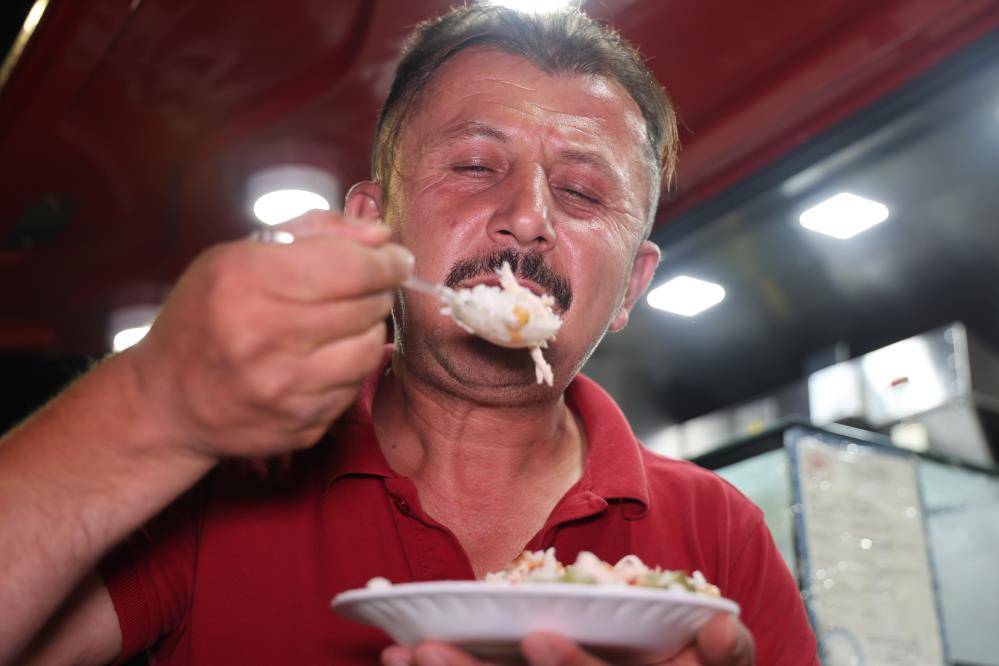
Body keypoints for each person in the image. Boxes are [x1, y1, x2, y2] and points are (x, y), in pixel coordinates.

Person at [0, 6, 818, 665]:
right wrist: (149, 399)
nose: (527, 218)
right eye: (472, 166)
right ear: (373, 227)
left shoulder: (720, 532)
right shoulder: (223, 479)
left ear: (630, 288)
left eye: (578, 191)